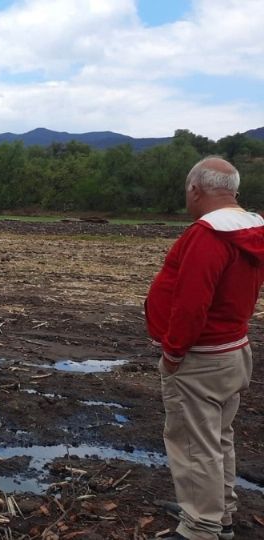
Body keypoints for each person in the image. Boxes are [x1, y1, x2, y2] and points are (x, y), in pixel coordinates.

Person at [146, 157, 263, 540]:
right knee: (217, 438)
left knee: (194, 444)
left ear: (195, 189)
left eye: (187, 191)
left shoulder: (208, 235)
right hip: (233, 351)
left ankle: (199, 527)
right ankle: (219, 515)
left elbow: (192, 302)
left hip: (201, 357)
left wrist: (174, 352)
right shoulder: (251, 228)